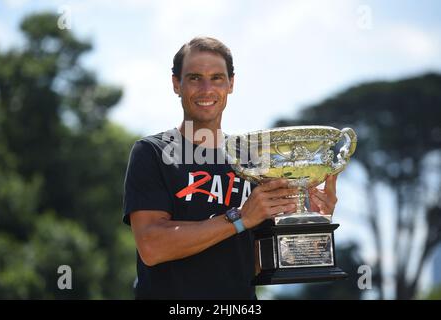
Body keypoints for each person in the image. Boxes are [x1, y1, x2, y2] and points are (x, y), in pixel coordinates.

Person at [122, 36, 338, 299]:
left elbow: (262, 263)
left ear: (231, 84)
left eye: (216, 78)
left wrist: (310, 220)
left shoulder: (253, 161)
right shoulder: (152, 152)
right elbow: (152, 246)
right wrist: (239, 219)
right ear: (176, 84)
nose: (206, 89)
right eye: (194, 78)